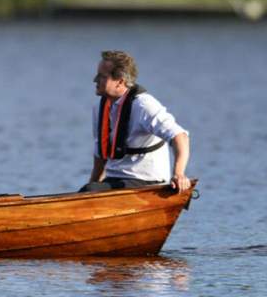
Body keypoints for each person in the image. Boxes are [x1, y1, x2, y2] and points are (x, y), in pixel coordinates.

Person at [80, 50, 191, 192]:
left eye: (102, 76)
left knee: (90, 190)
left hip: (147, 182)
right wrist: (83, 194)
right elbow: (100, 156)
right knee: (88, 190)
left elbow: (180, 136)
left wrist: (179, 174)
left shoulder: (144, 105)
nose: (95, 80)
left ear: (120, 82)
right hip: (114, 180)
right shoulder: (99, 108)